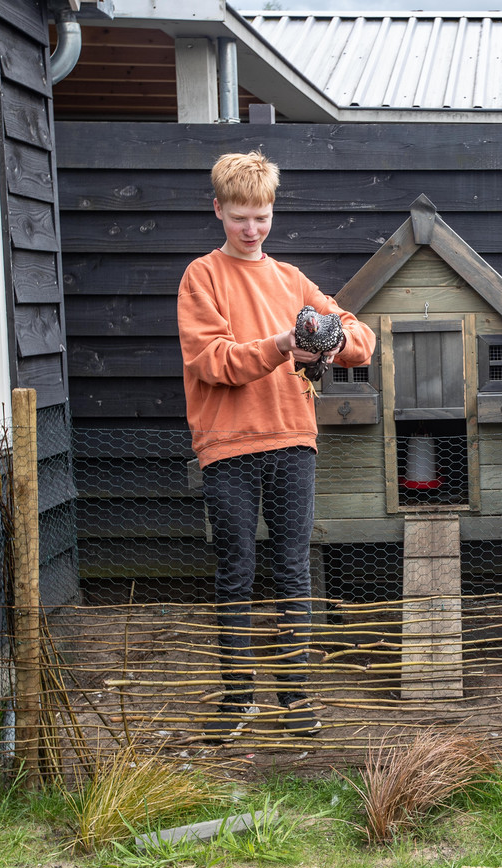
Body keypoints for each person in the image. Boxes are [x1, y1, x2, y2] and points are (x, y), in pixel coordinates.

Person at [178, 150, 377, 741]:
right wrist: (283, 343)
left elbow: (360, 339)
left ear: (272, 212)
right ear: (218, 210)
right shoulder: (202, 277)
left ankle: (296, 696)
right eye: (240, 216)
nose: (252, 228)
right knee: (236, 569)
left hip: (294, 439)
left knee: (294, 570)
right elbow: (212, 361)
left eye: (261, 216)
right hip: (228, 444)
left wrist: (330, 339)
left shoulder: (292, 280)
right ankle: (239, 697)